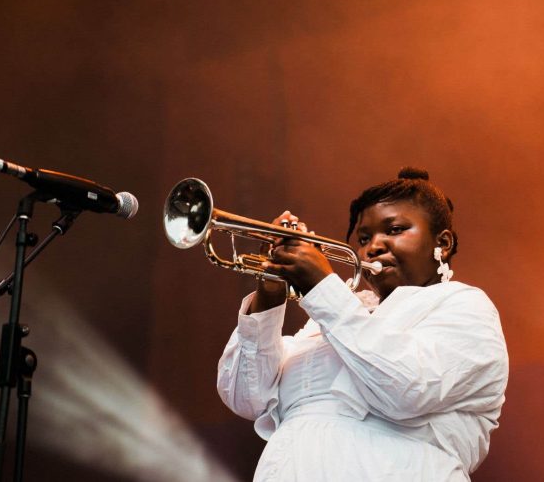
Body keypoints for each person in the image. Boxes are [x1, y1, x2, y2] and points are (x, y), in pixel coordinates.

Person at [217, 167, 509, 481]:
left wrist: (322, 288)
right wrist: (270, 290)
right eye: (365, 238)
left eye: (395, 229)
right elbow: (246, 397)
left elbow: (408, 389)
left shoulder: (464, 305)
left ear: (443, 243)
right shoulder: (326, 322)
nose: (374, 246)